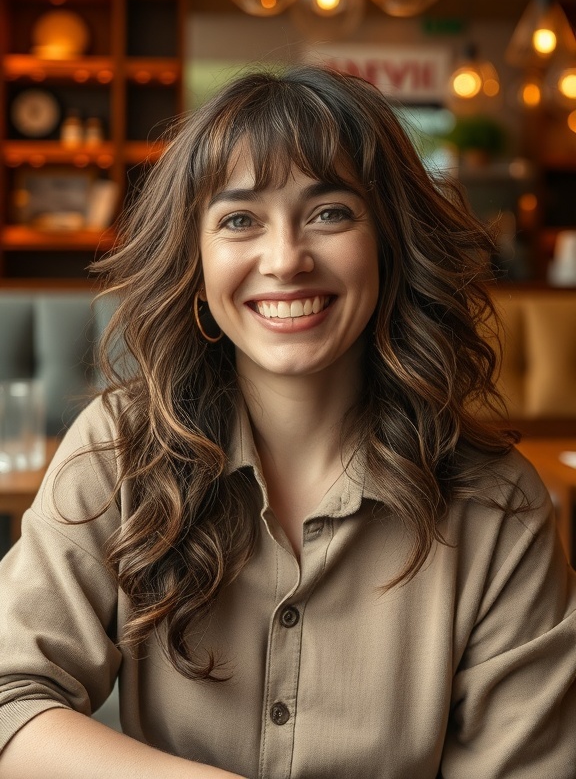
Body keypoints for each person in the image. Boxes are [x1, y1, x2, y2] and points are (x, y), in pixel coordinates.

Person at [0, 65, 575, 779]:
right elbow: (10, 697)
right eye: (239, 220)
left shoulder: (499, 507)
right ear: (195, 261)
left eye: (329, 213)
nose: (285, 260)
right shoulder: (121, 448)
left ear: (390, 243)